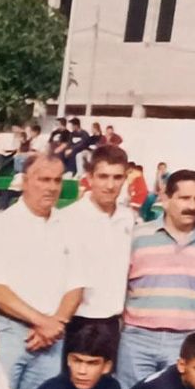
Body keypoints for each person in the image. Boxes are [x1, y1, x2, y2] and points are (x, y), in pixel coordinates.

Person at [0, 154, 84, 389]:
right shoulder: (4, 224)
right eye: (43, 179)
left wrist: (55, 323)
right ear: (26, 181)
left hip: (53, 338)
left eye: (57, 180)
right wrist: (42, 322)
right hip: (11, 333)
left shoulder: (68, 225)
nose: (51, 187)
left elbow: (77, 285)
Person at [116, 170, 195, 389]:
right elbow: (119, 288)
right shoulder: (137, 237)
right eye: (184, 198)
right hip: (137, 340)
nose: (191, 205)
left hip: (183, 343)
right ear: (165, 198)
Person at [60, 145, 134, 351]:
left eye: (117, 177)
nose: (110, 185)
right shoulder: (68, 218)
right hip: (75, 321)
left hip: (112, 323)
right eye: (103, 176)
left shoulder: (128, 218)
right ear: (90, 178)